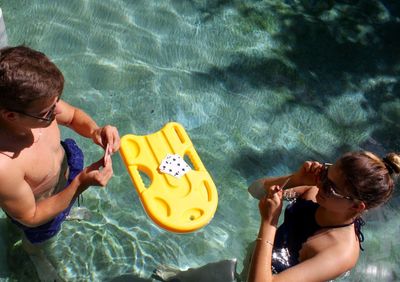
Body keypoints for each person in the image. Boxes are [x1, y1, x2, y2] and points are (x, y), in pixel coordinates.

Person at [0, 46, 120, 251]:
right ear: (11, 116)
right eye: (48, 111)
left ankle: (67, 207)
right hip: (42, 207)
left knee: (66, 201)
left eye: (56, 102)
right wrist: (80, 184)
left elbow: (73, 116)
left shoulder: (42, 108)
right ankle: (34, 253)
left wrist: (94, 131)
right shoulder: (5, 166)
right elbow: (31, 216)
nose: (57, 112)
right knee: (40, 237)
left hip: (67, 171)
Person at [247, 151, 399, 282]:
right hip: (262, 259)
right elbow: (255, 190)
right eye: (325, 173)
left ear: (356, 206)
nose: (320, 184)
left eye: (331, 188)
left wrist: (269, 222)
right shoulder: (312, 193)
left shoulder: (340, 252)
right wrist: (296, 179)